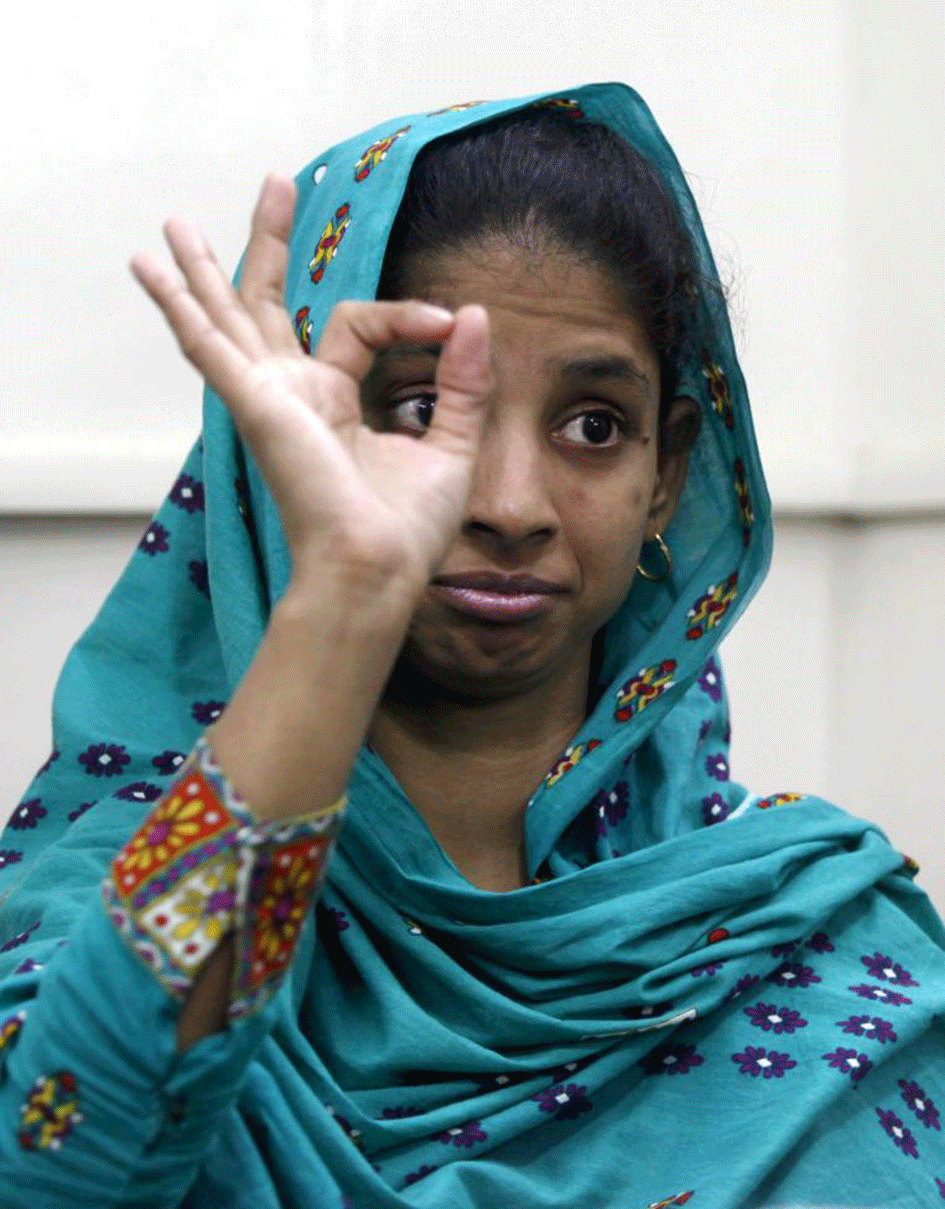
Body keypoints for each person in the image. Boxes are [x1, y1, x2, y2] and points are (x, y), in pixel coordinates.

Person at [0, 81, 942, 1209]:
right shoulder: (117, 916)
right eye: (415, 410)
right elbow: (60, 1163)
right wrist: (347, 587)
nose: (508, 502)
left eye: (593, 426)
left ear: (670, 472)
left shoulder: (823, 956)